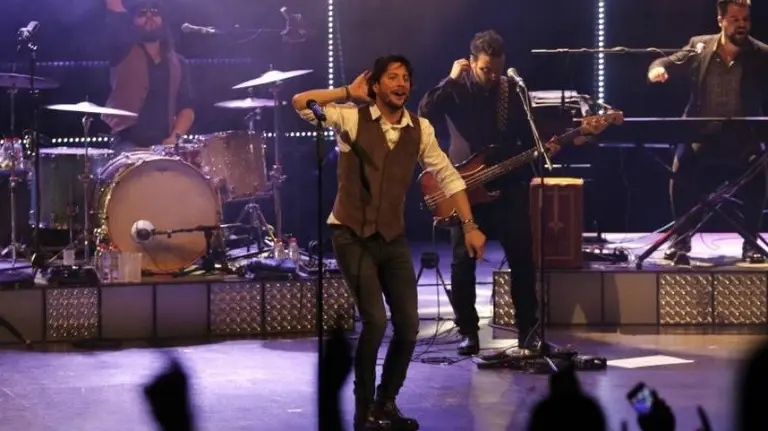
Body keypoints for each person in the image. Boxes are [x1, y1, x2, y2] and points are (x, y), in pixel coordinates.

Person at [292, 54, 486, 431]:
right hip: (350, 234)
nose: (401, 84)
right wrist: (348, 91)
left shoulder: (420, 128)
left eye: (406, 78)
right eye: (392, 78)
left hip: (392, 238)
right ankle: (363, 411)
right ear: (376, 85)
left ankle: (386, 403)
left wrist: (470, 226)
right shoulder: (350, 117)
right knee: (376, 321)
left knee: (409, 325)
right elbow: (301, 103)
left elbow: (450, 177)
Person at [418, 30, 544, 356]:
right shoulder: (455, 89)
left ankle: (528, 331)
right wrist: (449, 79)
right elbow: (423, 112)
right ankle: (468, 332)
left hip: (506, 184)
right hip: (465, 186)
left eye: (497, 69)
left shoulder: (511, 91)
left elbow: (529, 137)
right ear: (471, 62)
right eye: (486, 69)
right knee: (462, 263)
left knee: (522, 258)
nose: (492, 76)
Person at [647, 0, 768, 265]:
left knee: (758, 170)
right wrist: (658, 68)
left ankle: (750, 243)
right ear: (721, 20)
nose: (741, 25)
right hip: (700, 135)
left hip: (741, 137)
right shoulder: (699, 46)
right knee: (680, 171)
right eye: (735, 19)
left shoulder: (759, 53)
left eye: (745, 19)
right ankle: (680, 241)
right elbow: (667, 59)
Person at [103, 0, 195, 152]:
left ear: (163, 19)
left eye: (155, 12)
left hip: (163, 144)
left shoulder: (178, 62)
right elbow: (114, 6)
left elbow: (186, 107)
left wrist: (174, 137)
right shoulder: (121, 50)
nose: (149, 16)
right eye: (142, 13)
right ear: (132, 20)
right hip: (127, 143)